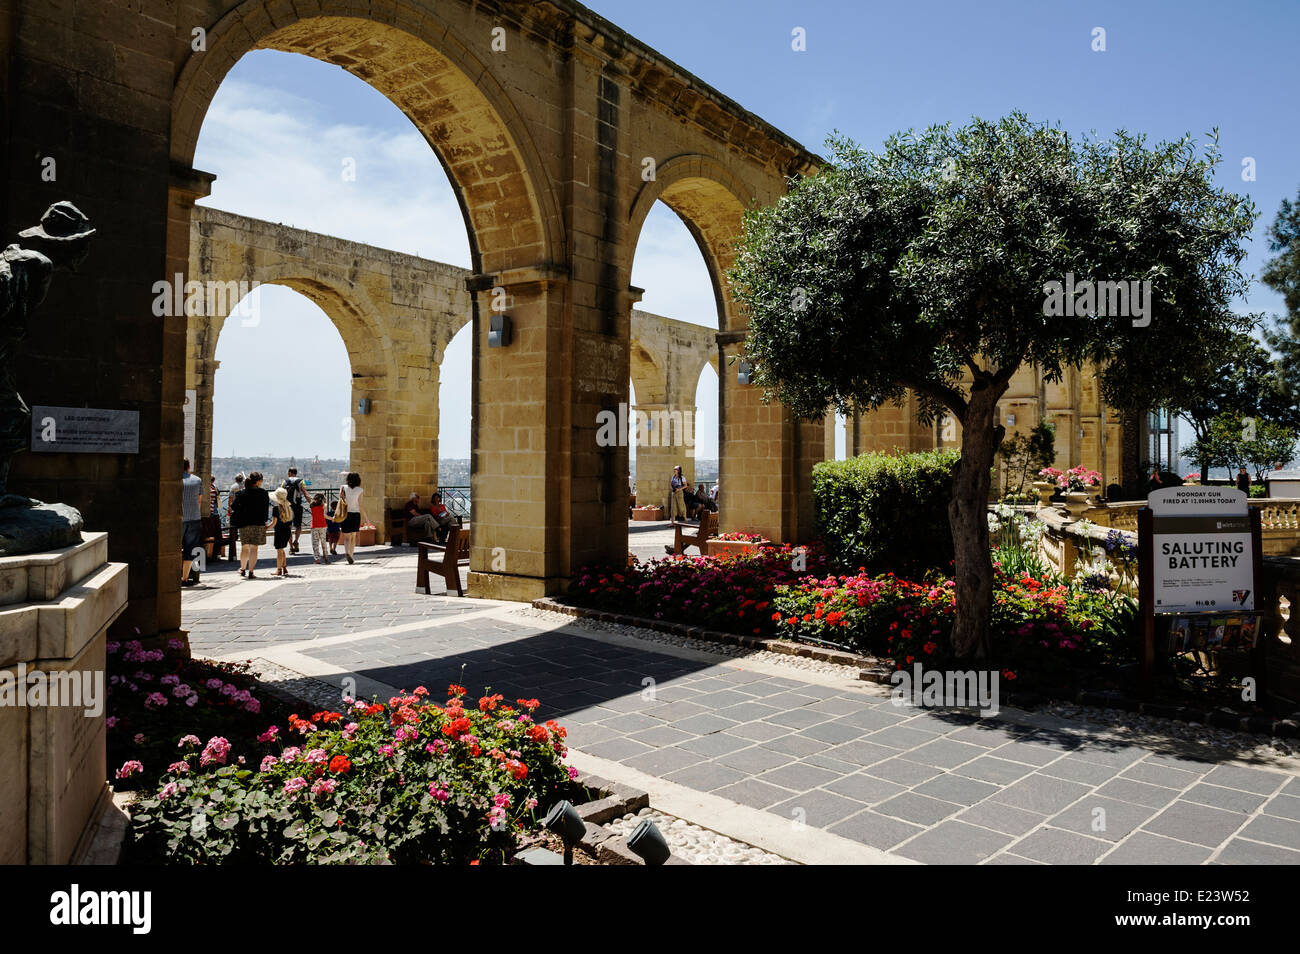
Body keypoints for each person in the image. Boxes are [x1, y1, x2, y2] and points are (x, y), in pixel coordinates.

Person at [233, 472, 270, 579]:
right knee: (254, 548)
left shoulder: (241, 493)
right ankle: (251, 571)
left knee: (244, 547)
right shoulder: (263, 493)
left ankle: (242, 569)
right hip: (258, 523)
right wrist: (264, 521)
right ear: (258, 481)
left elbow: (234, 506)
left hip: (244, 522)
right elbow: (265, 509)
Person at [180, 459, 204, 586]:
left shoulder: (175, 481)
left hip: (178, 518)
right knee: (190, 549)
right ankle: (184, 577)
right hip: (194, 517)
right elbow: (199, 501)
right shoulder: (197, 480)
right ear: (189, 467)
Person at [338, 472, 368, 565]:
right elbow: (360, 505)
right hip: (355, 514)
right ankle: (351, 555)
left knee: (346, 537)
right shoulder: (360, 490)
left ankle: (346, 552)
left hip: (345, 514)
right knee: (353, 536)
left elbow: (341, 499)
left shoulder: (343, 487)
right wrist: (366, 518)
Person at [282, 467, 307, 554]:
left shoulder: (285, 481)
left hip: (287, 506)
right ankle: (296, 541)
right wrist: (310, 502)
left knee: (288, 527)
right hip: (297, 506)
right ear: (296, 473)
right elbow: (304, 492)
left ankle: (291, 547)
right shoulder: (301, 481)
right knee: (298, 526)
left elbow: (281, 493)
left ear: (289, 473)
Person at [270, 486, 294, 577]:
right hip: (287, 531)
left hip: (279, 532)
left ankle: (279, 569)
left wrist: (266, 528)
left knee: (279, 551)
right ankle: (284, 567)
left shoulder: (276, 509)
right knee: (282, 550)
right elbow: (290, 523)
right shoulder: (288, 508)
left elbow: (274, 523)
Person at [226, 472, 245, 562]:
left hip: (235, 509)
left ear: (235, 479)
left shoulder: (233, 487)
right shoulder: (245, 487)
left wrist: (229, 509)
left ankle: (233, 551)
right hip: (244, 510)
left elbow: (230, 498)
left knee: (233, 528)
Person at [308, 492, 330, 564]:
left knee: (315, 543)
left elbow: (308, 497)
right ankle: (326, 557)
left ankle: (317, 559)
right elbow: (325, 516)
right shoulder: (324, 505)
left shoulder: (312, 505)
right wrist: (332, 519)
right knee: (323, 542)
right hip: (323, 525)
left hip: (314, 526)